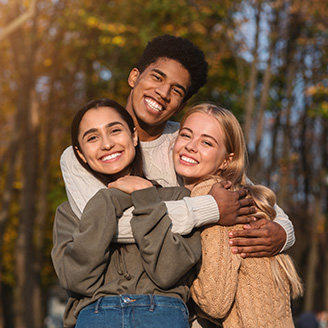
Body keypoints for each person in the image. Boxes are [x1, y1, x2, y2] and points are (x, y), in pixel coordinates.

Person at [60, 34, 295, 256]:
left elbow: (248, 195)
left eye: (176, 90)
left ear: (181, 106)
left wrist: (284, 233)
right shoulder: (83, 155)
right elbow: (104, 227)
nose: (163, 92)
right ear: (134, 77)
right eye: (157, 77)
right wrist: (211, 208)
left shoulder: (186, 144)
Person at [52, 98, 202, 328]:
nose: (107, 144)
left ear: (133, 136)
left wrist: (146, 197)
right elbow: (78, 280)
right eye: (92, 137)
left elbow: (168, 273)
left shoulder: (177, 198)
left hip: (161, 312)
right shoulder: (69, 213)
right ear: (81, 154)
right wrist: (110, 198)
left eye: (115, 130)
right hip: (96, 314)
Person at [169, 103, 303, 327]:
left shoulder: (213, 195)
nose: (191, 146)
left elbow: (214, 301)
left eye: (206, 142)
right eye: (186, 135)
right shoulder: (240, 195)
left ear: (226, 161)